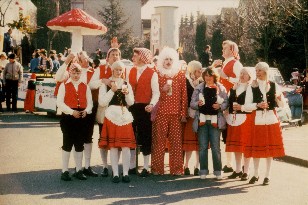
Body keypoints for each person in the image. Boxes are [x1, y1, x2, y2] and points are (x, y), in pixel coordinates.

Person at [244, 62, 285, 185]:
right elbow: (246, 106)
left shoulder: (274, 85)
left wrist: (279, 100)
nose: (257, 73)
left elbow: (282, 105)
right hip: (257, 121)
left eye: (259, 71)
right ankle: (255, 173)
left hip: (271, 120)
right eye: (256, 71)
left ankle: (267, 175)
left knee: (270, 149)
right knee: (257, 149)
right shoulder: (252, 86)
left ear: (265, 72)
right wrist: (257, 105)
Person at [151, 47, 187, 175]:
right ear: (161, 60)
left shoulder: (180, 75)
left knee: (176, 143)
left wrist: (183, 113)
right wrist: (162, 89)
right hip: (161, 112)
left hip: (176, 113)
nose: (168, 61)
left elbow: (184, 95)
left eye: (171, 59)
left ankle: (177, 169)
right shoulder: (157, 74)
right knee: (159, 142)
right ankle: (156, 169)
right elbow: (154, 94)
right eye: (166, 59)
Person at [98, 60, 136, 183]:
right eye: (116, 69)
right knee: (113, 146)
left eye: (121, 70)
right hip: (111, 115)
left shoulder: (126, 84)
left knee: (125, 146)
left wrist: (127, 94)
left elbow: (131, 103)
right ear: (112, 70)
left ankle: (125, 173)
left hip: (124, 116)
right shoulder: (106, 83)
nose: (119, 72)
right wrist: (112, 91)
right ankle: (115, 173)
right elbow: (102, 102)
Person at [57, 62, 93, 181]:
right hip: (68, 117)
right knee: (67, 144)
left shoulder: (85, 86)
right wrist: (71, 112)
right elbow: (60, 103)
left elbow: (90, 103)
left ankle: (78, 170)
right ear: (70, 73)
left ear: (81, 73)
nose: (76, 75)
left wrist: (86, 111)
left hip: (82, 117)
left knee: (79, 144)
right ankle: (65, 171)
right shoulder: (64, 85)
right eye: (74, 72)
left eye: (78, 73)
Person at [212, 40, 244, 173]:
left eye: (225, 49)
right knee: (227, 133)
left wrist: (226, 77)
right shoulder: (225, 63)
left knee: (233, 132)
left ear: (232, 50)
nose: (222, 51)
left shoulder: (236, 64)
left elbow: (242, 79)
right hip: (223, 100)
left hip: (232, 100)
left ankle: (237, 164)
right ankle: (229, 163)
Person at [190, 68, 228, 180]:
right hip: (202, 120)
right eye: (206, 75)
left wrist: (220, 106)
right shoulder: (198, 88)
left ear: (214, 77)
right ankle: (203, 171)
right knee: (202, 147)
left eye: (210, 75)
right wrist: (198, 103)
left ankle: (218, 171)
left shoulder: (221, 87)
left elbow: (226, 102)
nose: (207, 77)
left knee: (216, 147)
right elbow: (192, 103)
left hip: (216, 120)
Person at [127, 47, 160, 177]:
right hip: (132, 106)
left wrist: (152, 104)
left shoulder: (152, 73)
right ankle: (131, 166)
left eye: (135, 55)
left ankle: (146, 166)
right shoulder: (130, 70)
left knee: (145, 136)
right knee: (131, 135)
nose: (133, 58)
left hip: (145, 107)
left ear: (141, 57)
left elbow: (156, 92)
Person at [88, 47, 120, 177]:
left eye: (117, 54)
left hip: (118, 111)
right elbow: (90, 84)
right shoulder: (100, 69)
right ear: (108, 57)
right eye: (113, 54)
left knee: (117, 139)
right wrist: (103, 81)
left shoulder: (123, 69)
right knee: (103, 138)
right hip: (104, 108)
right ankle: (105, 165)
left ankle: (115, 165)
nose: (115, 56)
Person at [225, 67, 255, 180]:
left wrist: (242, 108)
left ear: (249, 76)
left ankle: (246, 171)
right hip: (233, 119)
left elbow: (253, 105)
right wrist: (226, 108)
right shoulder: (234, 87)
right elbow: (228, 101)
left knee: (245, 146)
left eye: (245, 74)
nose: (242, 75)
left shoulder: (251, 88)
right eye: (241, 73)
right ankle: (237, 170)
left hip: (246, 119)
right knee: (236, 146)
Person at [183, 60, 203, 176]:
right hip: (190, 114)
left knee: (200, 142)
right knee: (189, 142)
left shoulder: (202, 82)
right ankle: (186, 165)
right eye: (198, 69)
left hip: (201, 115)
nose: (200, 71)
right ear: (192, 70)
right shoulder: (186, 82)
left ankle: (197, 166)